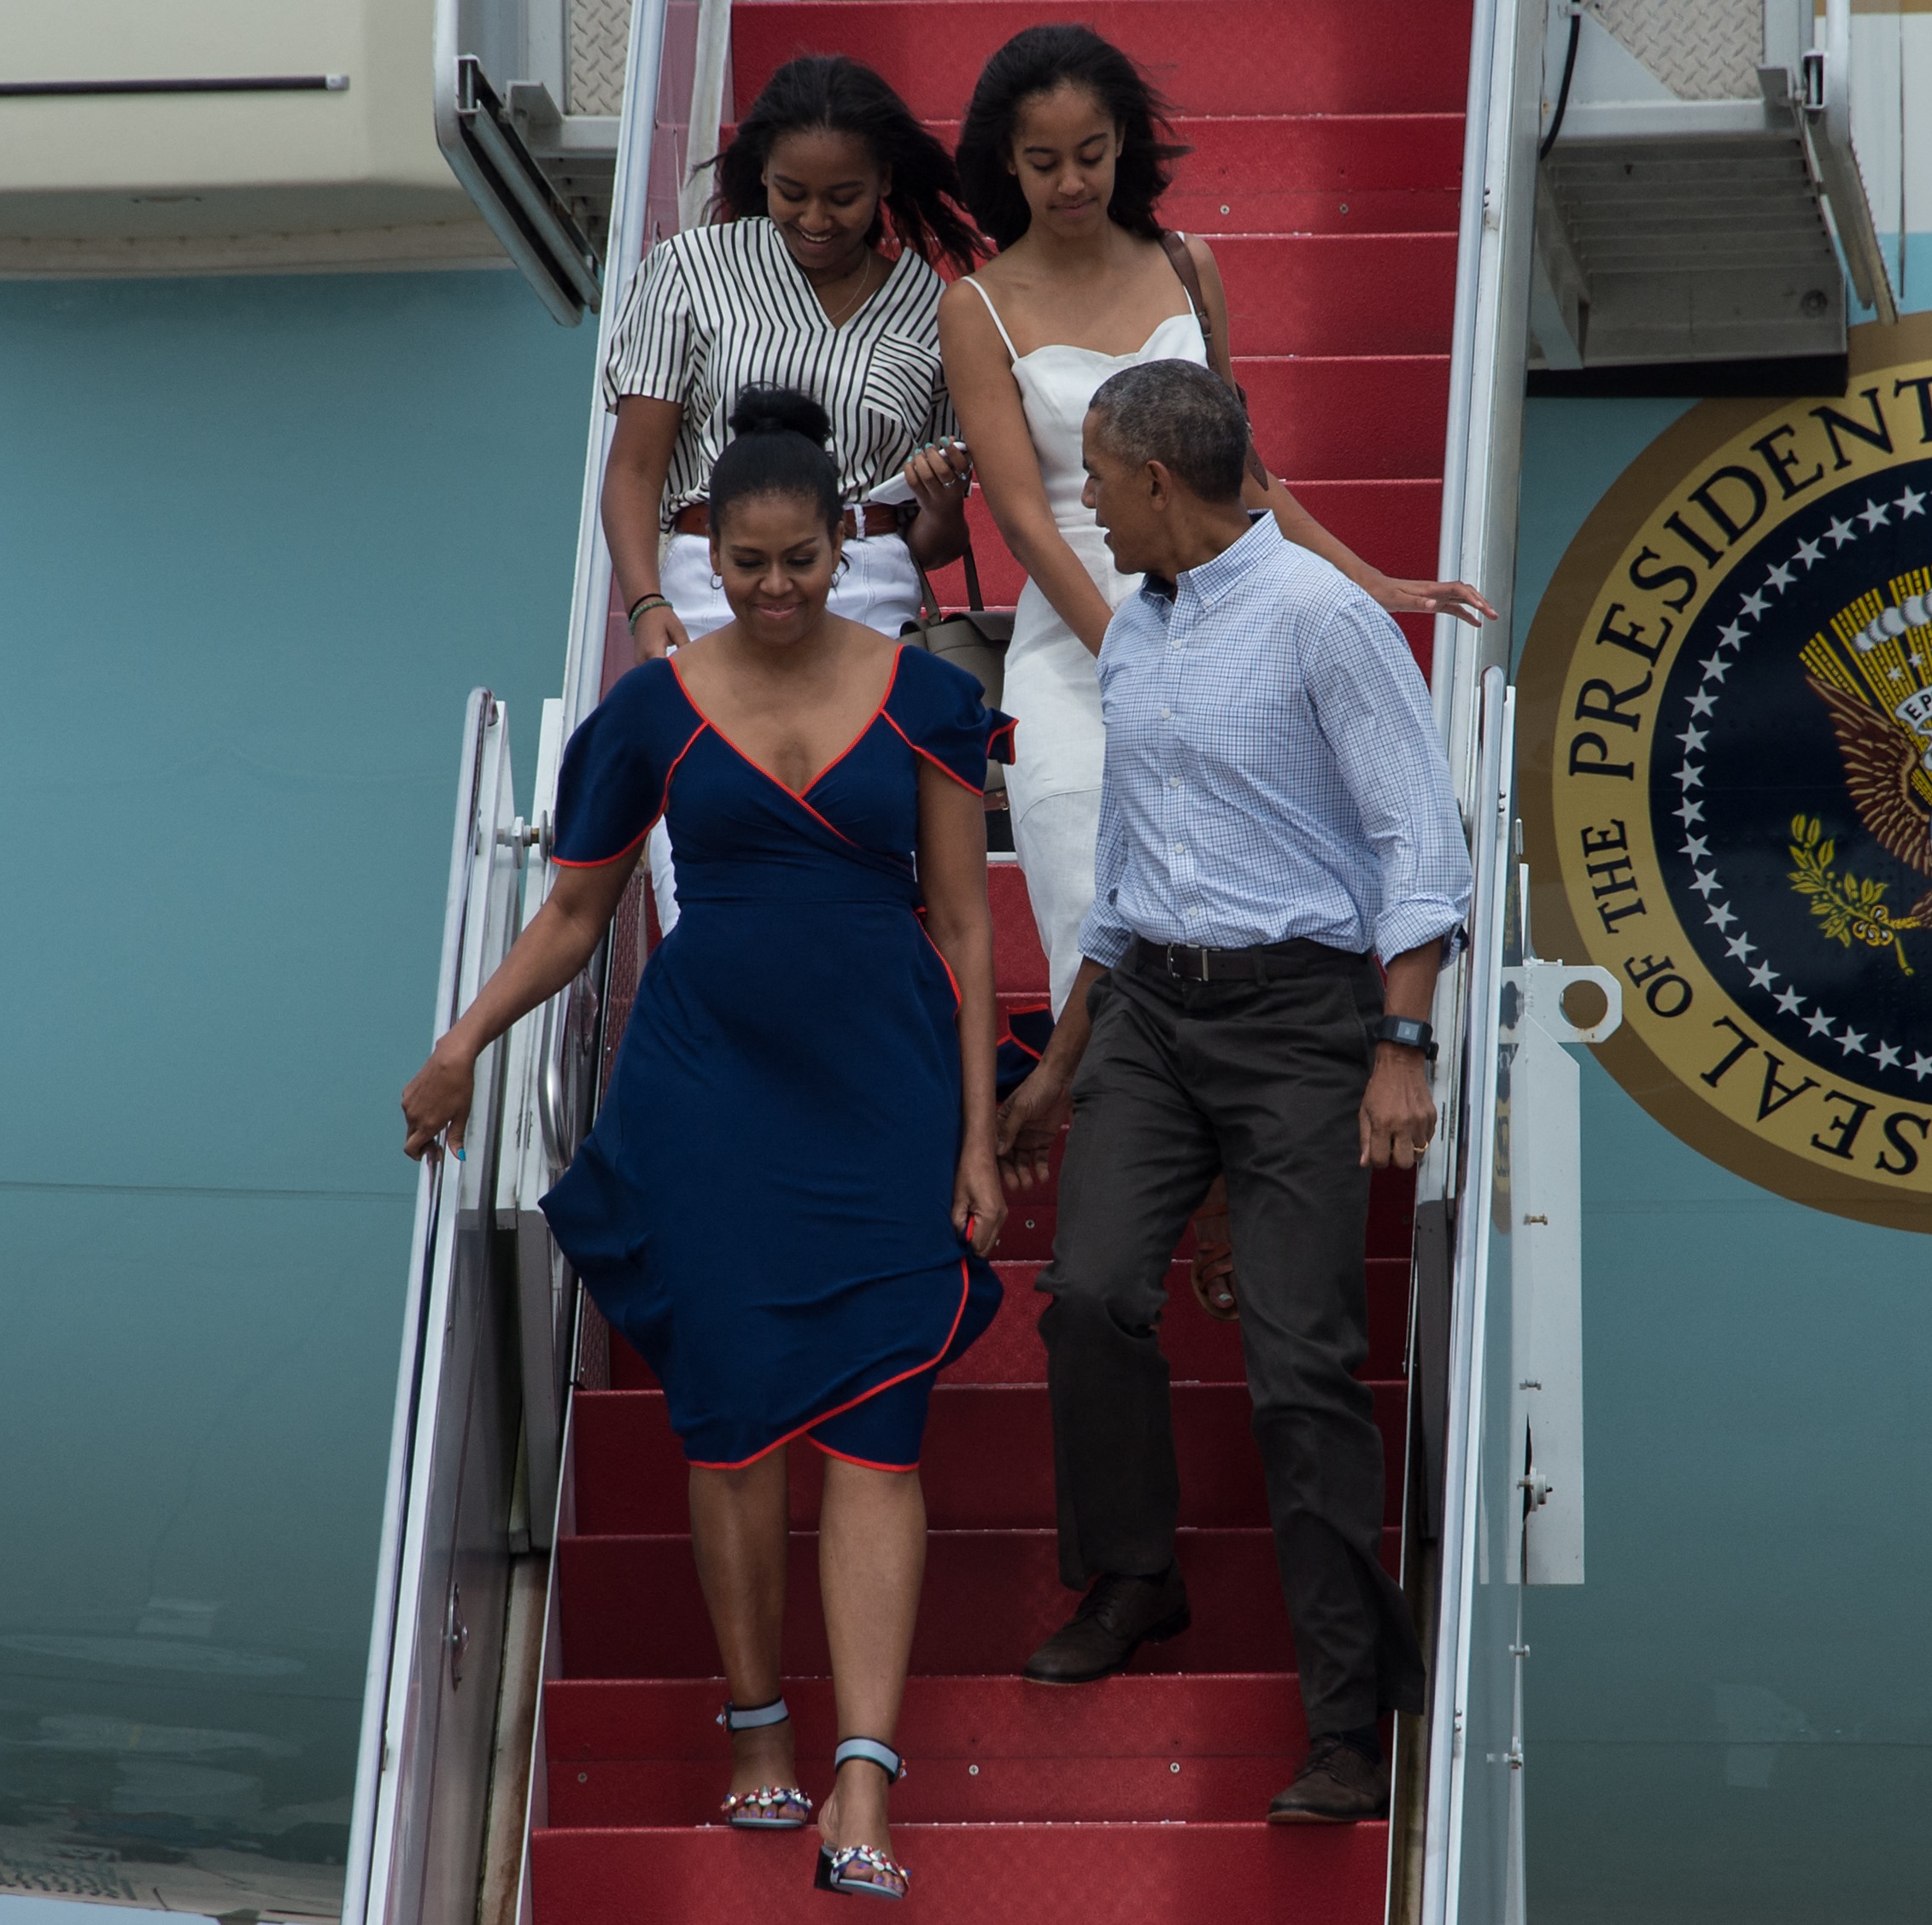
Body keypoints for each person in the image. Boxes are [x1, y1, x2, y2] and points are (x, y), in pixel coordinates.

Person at [402, 389, 1010, 1901]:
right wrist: (464, 1041)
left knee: (878, 1424)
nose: (775, 588)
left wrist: (982, 1130)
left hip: (883, 1090)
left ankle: (862, 1761)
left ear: (837, 542)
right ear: (703, 553)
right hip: (707, 1093)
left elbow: (961, 918)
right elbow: (572, 913)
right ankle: (757, 1723)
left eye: (798, 559)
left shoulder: (928, 696)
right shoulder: (648, 713)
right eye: (744, 563)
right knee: (731, 1423)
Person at [993, 361, 1472, 1823]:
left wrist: (1403, 1046)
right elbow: (1127, 883)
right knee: (1087, 1292)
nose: (1084, 499)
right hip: (1149, 1009)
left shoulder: (1323, 620)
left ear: (1155, 482)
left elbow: (1422, 843)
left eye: (1095, 472)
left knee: (1301, 1365)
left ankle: (1346, 1718)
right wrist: (1058, 1069)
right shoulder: (1132, 631)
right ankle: (1136, 1574)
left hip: (1301, 1023)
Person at [940, 23, 1491, 1021]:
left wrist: (1372, 583)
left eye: (1093, 155)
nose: (1073, 182)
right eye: (1044, 161)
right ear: (1004, 162)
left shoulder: (1190, 265)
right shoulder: (977, 305)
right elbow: (1022, 521)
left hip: (1241, 625)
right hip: (1078, 646)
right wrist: (1130, 656)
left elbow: (1242, 472)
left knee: (1245, 906)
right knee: (1087, 915)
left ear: (1125, 145)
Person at [601, 51, 986, 933]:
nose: (816, 217)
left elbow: (937, 543)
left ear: (886, 177)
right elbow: (634, 468)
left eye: (844, 195)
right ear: (760, 172)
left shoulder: (935, 305)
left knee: (864, 857)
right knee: (708, 845)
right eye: (790, 191)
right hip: (712, 579)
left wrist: (941, 499)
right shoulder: (692, 268)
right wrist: (645, 600)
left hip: (873, 586)